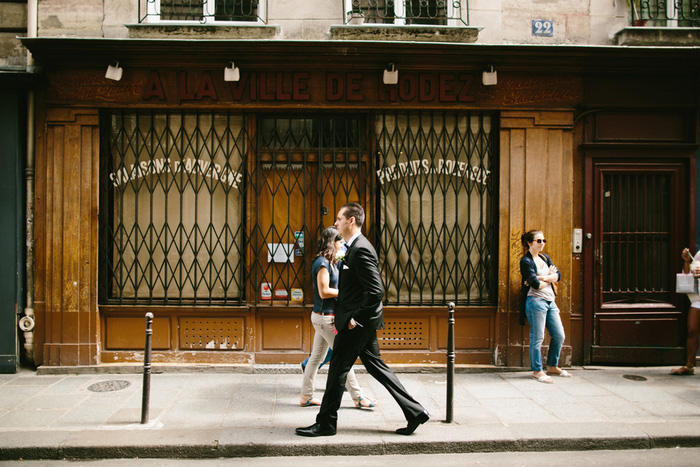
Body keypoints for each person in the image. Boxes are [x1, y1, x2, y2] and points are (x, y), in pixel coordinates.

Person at [296, 203, 429, 437]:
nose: (335, 223)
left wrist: (355, 319)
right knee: (377, 367)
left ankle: (326, 423)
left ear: (351, 221)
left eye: (339, 219)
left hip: (357, 323)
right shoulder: (352, 247)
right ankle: (415, 412)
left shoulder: (361, 248)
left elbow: (376, 291)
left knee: (337, 369)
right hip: (360, 321)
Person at [300, 226, 378, 409]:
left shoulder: (331, 261)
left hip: (323, 317)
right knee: (344, 357)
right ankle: (358, 397)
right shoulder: (322, 263)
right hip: (325, 317)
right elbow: (324, 291)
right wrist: (344, 293)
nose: (343, 244)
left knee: (316, 358)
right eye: (340, 241)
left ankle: (306, 395)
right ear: (331, 242)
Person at [520, 230, 569, 384]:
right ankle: (537, 370)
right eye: (538, 241)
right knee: (538, 337)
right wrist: (549, 278)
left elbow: (558, 275)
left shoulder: (545, 257)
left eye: (543, 240)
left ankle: (552, 366)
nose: (542, 243)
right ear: (529, 243)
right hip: (536, 301)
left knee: (559, 335)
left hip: (550, 300)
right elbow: (536, 285)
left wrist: (544, 278)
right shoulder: (526, 261)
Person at [671, 247, 700, 375]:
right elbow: (688, 275)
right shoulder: (699, 254)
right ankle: (689, 365)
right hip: (698, 298)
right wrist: (687, 261)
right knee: (692, 330)